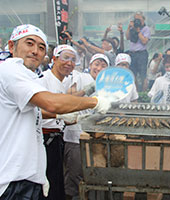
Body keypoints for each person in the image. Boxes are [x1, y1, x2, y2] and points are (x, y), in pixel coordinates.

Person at [0, 24, 110, 200]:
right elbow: (50, 102)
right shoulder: (11, 69)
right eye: (29, 43)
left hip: (27, 175)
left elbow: (34, 112)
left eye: (41, 47)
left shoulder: (30, 76)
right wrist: (95, 102)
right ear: (12, 46)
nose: (35, 51)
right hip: (14, 179)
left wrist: (60, 115)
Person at [63, 53, 109, 200]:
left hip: (96, 140)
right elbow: (69, 98)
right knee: (74, 176)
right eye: (96, 64)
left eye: (103, 65)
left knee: (93, 177)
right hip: (75, 137)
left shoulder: (108, 85)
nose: (99, 68)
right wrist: (87, 90)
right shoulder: (80, 77)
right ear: (89, 66)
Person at [38, 44, 81, 200]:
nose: (69, 63)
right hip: (43, 140)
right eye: (65, 58)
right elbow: (34, 111)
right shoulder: (43, 80)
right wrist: (58, 115)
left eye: (73, 60)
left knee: (57, 182)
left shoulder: (64, 83)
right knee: (47, 183)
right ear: (54, 59)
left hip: (57, 138)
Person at [126, 11, 151, 91]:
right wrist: (129, 27)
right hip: (132, 53)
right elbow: (127, 37)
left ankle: (143, 93)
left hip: (141, 54)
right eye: (135, 19)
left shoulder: (146, 29)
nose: (137, 21)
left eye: (139, 19)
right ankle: (134, 91)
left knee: (143, 75)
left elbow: (144, 41)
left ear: (143, 20)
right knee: (133, 74)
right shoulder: (132, 28)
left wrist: (138, 30)